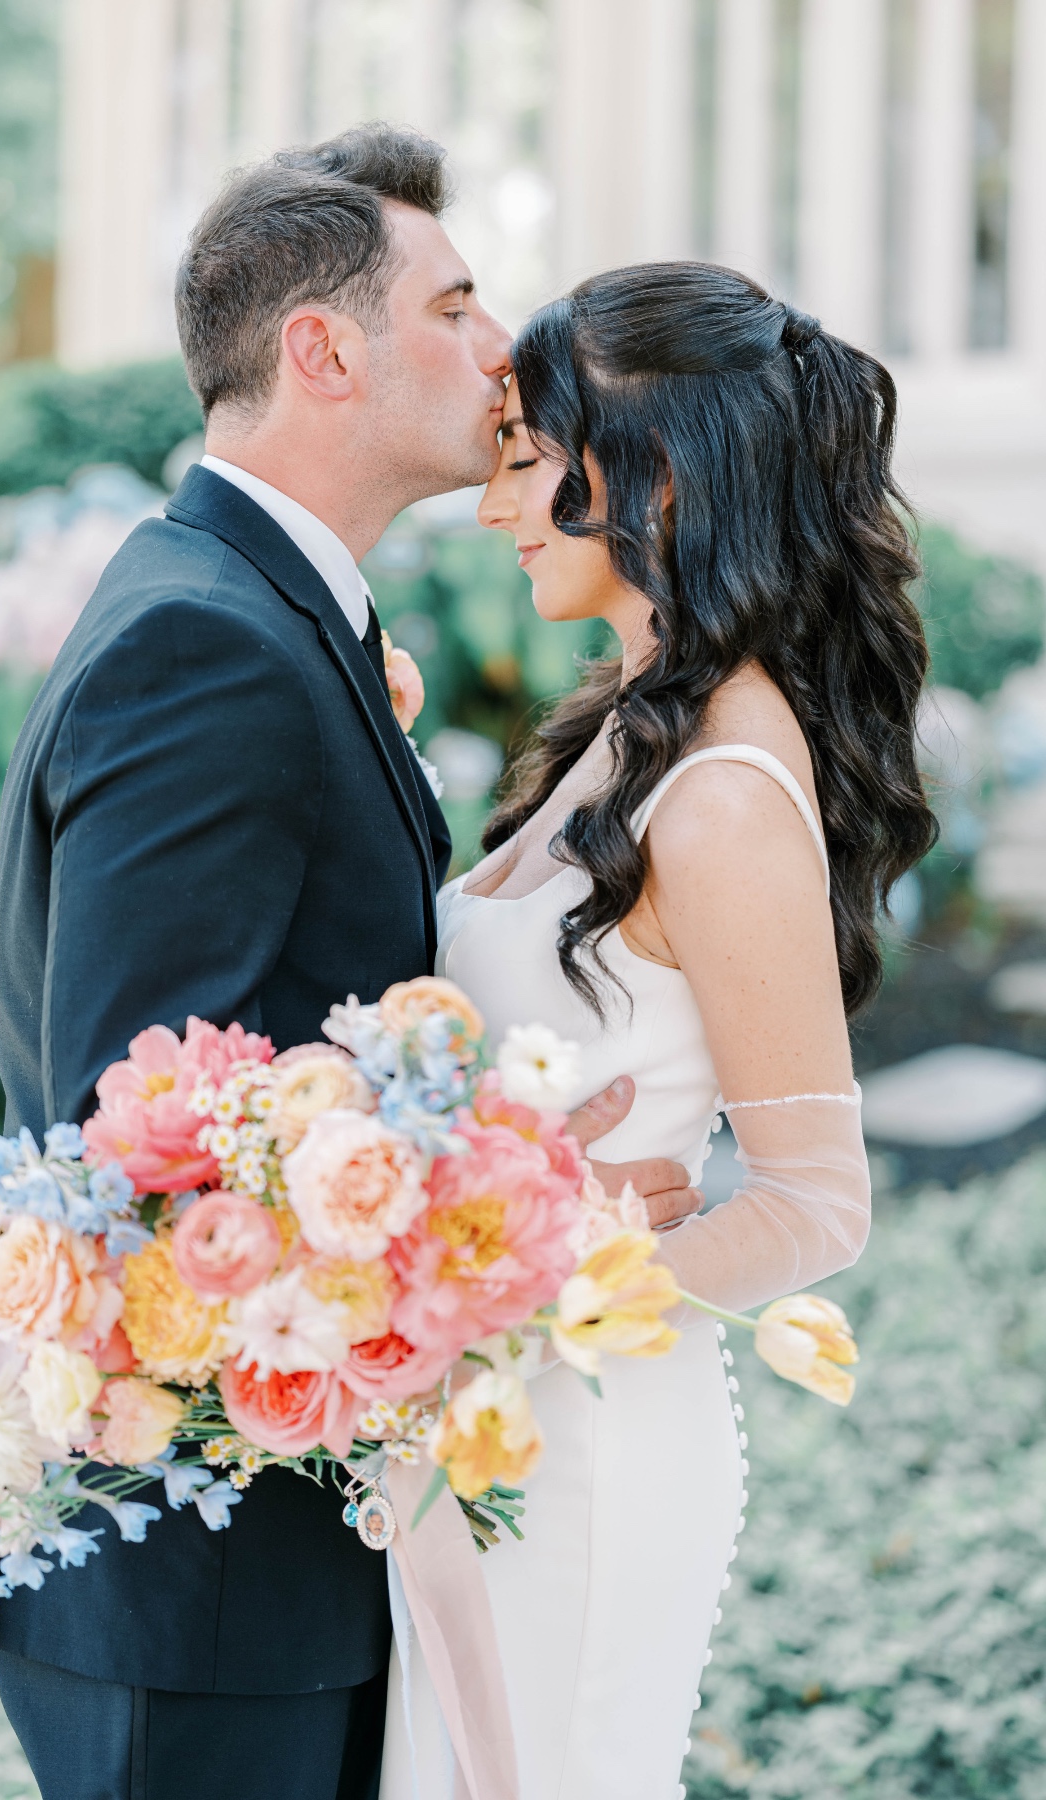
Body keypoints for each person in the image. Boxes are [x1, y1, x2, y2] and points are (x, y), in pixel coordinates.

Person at [0, 126, 699, 1800]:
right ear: (324, 351)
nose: (503, 348)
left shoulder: (251, 611)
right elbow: (140, 1129)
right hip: (202, 1608)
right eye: (457, 304)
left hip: (267, 1574)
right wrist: (513, 1188)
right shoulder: (208, 647)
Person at [379, 262, 936, 1799]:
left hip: (592, 1439)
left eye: (521, 461)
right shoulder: (630, 727)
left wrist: (541, 1288)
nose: (494, 509)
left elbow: (820, 1202)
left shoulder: (728, 796)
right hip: (502, 1421)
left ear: (653, 476)